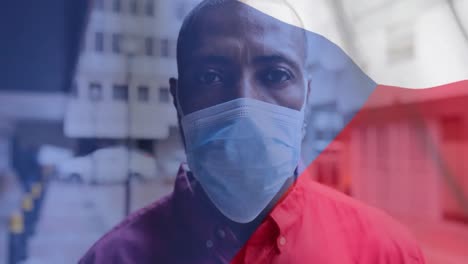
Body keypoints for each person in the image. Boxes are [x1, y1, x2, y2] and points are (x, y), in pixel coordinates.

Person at [80, 1, 426, 263]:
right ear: (178, 98)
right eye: (211, 77)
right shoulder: (114, 258)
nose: (245, 106)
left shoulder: (384, 252)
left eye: (275, 75)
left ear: (307, 95)